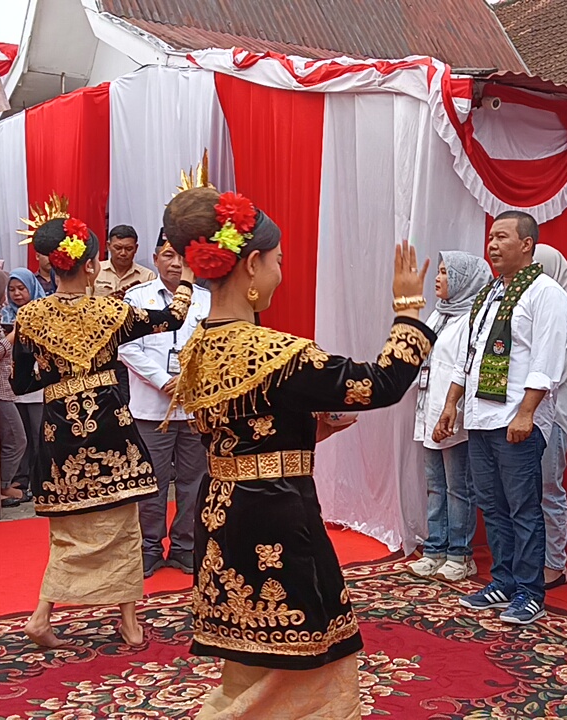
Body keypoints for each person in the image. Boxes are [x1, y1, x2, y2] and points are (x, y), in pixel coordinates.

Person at [163, 186, 435, 717]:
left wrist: (306, 433)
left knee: (249, 655)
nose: (280, 273)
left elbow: (227, 432)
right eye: (279, 261)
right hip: (278, 515)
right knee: (312, 647)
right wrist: (407, 313)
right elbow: (380, 384)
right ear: (252, 264)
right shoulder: (277, 354)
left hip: (221, 511)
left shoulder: (197, 347)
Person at [11, 210, 194, 649]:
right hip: (112, 431)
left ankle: (42, 615)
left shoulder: (31, 317)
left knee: (69, 529)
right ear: (92, 264)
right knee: (122, 525)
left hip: (60, 436)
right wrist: (186, 276)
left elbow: (20, 383)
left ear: (50, 265)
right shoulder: (114, 310)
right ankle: (129, 623)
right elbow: (171, 318)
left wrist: (56, 375)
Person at [435, 211, 567, 626]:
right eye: (490, 238)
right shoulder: (492, 293)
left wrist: (527, 412)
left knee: (523, 507)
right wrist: (451, 404)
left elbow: (546, 361)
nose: (492, 245)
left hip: (516, 418)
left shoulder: (546, 293)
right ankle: (504, 580)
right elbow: (469, 356)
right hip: (480, 417)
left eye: (501, 237)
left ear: (527, 245)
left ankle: (530, 591)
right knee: (491, 506)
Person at [120, 232, 211, 577]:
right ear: (156, 258)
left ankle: (186, 546)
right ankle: (149, 547)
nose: (176, 264)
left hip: (193, 407)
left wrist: (188, 382)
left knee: (193, 482)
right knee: (150, 483)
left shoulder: (206, 300)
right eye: (169, 255)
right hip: (150, 409)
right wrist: (163, 380)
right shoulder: (136, 297)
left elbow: (215, 349)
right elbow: (126, 347)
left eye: (184, 258)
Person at [409, 251, 491, 582]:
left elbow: (468, 371)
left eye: (446, 273)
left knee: (459, 486)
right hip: (428, 413)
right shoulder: (437, 316)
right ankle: (435, 549)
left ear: (465, 281)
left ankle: (460, 554)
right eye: (439, 272)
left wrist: (452, 409)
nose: (439, 278)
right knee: (435, 485)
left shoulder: (473, 319)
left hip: (452, 415)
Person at [533, 244, 567, 590]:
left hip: (552, 415)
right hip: (520, 414)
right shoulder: (525, 309)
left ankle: (555, 564)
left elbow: (557, 370)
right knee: (523, 492)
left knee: (549, 489)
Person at [4, 268, 49, 498]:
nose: (17, 294)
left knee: (38, 434)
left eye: (21, 288)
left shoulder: (44, 313)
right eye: (12, 290)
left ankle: (41, 481)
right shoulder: (4, 316)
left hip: (38, 384)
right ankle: (19, 483)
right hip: (12, 385)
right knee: (19, 438)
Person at [0, 269, 27, 508]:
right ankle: (0, 485)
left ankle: (2, 483)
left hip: (4, 387)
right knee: (16, 438)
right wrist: (13, 336)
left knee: (10, 438)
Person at [94, 225, 156, 299]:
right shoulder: (95, 271)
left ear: (136, 248)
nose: (123, 253)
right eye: (118, 248)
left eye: (129, 249)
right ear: (108, 246)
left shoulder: (147, 277)